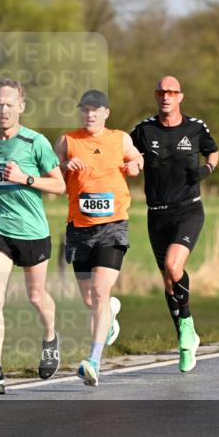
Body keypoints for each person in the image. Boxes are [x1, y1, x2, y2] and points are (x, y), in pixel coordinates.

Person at [0, 79, 66, 395]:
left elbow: (60, 185)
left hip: (33, 232)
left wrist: (25, 178)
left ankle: (51, 337)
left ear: (21, 106)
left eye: (10, 104)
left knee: (36, 296)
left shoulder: (36, 142)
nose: (4, 109)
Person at [129, 76, 219, 372]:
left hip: (188, 210)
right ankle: (185, 335)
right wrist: (132, 164)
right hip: (156, 214)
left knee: (172, 265)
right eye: (161, 92)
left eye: (171, 92)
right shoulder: (143, 130)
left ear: (180, 96)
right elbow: (127, 156)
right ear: (156, 96)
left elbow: (213, 150)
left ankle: (187, 325)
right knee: (169, 280)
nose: (166, 96)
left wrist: (206, 170)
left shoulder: (195, 127)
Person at [54, 90, 144, 386]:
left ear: (106, 112)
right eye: (85, 110)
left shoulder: (120, 139)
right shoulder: (68, 141)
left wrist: (135, 166)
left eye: (95, 110)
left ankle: (93, 361)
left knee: (102, 292)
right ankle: (110, 315)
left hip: (112, 226)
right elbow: (52, 174)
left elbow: (137, 159)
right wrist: (65, 167)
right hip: (79, 229)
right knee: (90, 299)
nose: (90, 114)